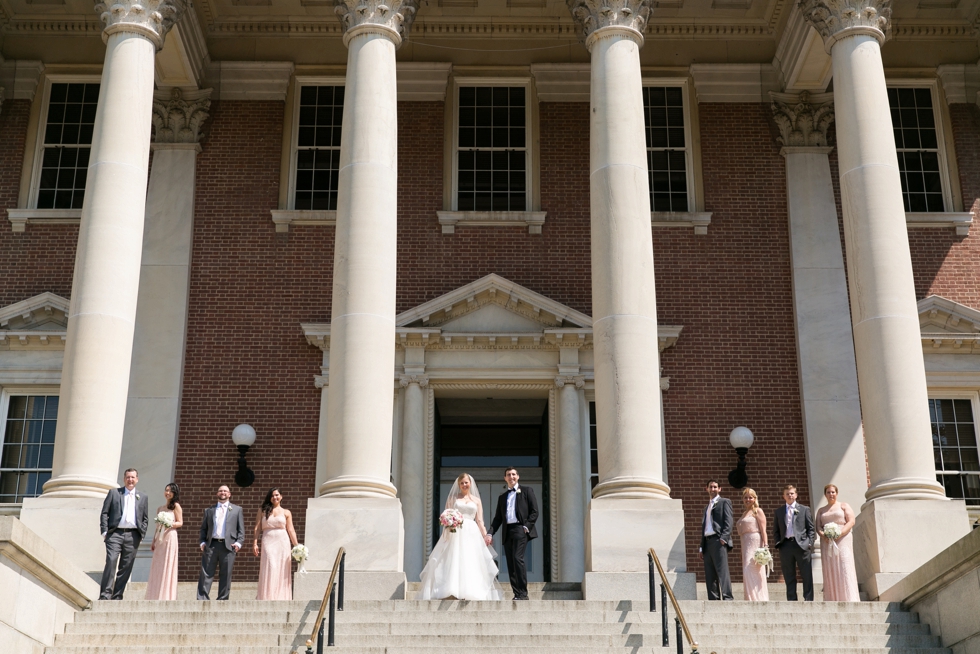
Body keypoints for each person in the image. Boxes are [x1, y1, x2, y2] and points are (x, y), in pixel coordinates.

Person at [419, 473, 503, 600]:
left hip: (472, 533)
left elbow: (480, 521)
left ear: (470, 484)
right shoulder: (453, 498)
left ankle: (469, 590)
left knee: (470, 559)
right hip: (456, 531)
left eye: (466, 482)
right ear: (459, 485)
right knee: (454, 559)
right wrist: (447, 527)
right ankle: (451, 589)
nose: (464, 485)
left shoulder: (477, 500)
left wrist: (485, 535)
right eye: (462, 483)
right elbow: (447, 514)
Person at [487, 467, 538, 601]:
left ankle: (523, 593)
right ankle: (517, 594)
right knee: (510, 562)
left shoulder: (527, 491)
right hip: (507, 531)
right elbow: (498, 519)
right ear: (505, 478)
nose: (511, 477)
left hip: (521, 529)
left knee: (517, 558)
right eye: (508, 475)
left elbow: (534, 511)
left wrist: (526, 526)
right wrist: (490, 533)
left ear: (518, 476)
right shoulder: (502, 497)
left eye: (513, 474)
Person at [99, 468, 149, 600]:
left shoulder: (143, 497)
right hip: (115, 534)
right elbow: (105, 513)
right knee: (111, 561)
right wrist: (105, 532)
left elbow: (145, 518)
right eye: (128, 477)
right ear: (124, 479)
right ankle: (105, 595)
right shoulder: (114, 493)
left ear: (137, 479)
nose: (130, 480)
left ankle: (117, 595)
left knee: (126, 566)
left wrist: (141, 534)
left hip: (133, 536)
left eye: (133, 477)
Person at [197, 484, 245, 600]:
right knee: (206, 573)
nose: (223, 492)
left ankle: (222, 599)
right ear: (217, 494)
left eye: (225, 491)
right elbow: (203, 528)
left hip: (228, 546)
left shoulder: (237, 510)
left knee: (226, 574)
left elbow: (241, 530)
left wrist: (238, 543)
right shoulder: (209, 510)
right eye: (220, 491)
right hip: (211, 545)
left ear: (229, 494)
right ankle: (202, 598)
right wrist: (202, 542)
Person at [815, 483, 860, 601]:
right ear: (825, 494)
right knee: (830, 567)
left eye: (833, 492)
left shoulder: (843, 506)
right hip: (827, 541)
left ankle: (849, 597)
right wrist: (824, 535)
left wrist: (840, 533)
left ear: (837, 493)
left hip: (843, 539)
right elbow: (818, 526)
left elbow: (851, 521)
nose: (831, 494)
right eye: (828, 492)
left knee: (844, 565)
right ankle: (832, 598)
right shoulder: (821, 510)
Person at [253, 487, 299, 600]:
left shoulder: (286, 512)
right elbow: (257, 528)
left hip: (282, 542)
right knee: (270, 565)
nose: (275, 497)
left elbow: (291, 529)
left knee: (281, 567)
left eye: (277, 495)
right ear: (270, 497)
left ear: (281, 496)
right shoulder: (262, 510)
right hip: (268, 540)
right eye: (273, 495)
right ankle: (267, 596)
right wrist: (255, 543)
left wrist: (297, 546)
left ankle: (280, 596)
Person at [773, 483, 816, 601]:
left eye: (792, 493)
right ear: (783, 496)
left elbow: (811, 528)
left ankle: (808, 598)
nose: (790, 496)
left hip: (801, 545)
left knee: (806, 574)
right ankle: (792, 599)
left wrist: (809, 543)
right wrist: (778, 543)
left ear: (796, 495)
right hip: (786, 545)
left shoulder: (804, 509)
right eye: (787, 494)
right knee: (789, 574)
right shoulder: (779, 512)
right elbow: (775, 530)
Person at [145, 482, 183, 600]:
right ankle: (155, 594)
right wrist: (153, 541)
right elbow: (157, 527)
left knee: (167, 563)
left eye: (170, 491)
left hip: (170, 537)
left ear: (174, 493)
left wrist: (169, 524)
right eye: (166, 490)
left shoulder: (176, 506)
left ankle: (166, 595)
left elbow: (180, 522)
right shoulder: (160, 508)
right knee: (158, 564)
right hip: (160, 539)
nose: (167, 493)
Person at [699, 479, 734, 601]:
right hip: (707, 543)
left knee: (722, 571)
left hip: (718, 541)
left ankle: (727, 597)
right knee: (710, 574)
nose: (713, 489)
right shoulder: (706, 507)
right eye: (711, 487)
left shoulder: (724, 502)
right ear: (706, 489)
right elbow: (704, 528)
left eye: (715, 487)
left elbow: (728, 522)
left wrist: (724, 539)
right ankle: (713, 599)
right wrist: (701, 547)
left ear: (719, 489)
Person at [736, 487, 769, 601]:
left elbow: (763, 530)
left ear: (755, 499)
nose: (748, 500)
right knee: (747, 571)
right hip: (745, 544)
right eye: (745, 498)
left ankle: (757, 598)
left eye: (750, 497)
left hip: (755, 542)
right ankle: (749, 597)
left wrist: (765, 547)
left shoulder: (757, 511)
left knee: (751, 570)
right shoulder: (744, 513)